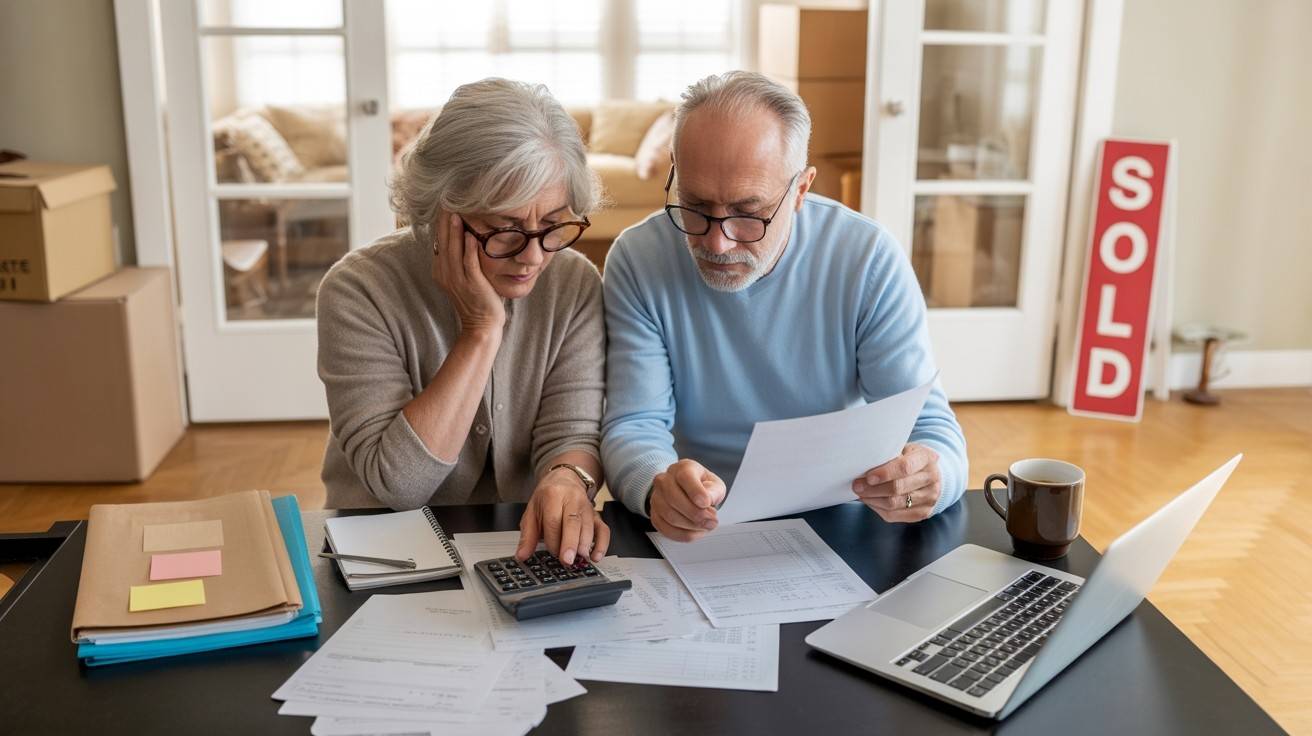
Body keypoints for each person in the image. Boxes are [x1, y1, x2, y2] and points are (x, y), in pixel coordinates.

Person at [601, 71, 968, 542]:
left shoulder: (867, 258)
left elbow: (929, 426)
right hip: (701, 524)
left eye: (749, 213)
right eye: (694, 206)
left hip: (839, 516)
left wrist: (932, 480)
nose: (718, 240)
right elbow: (634, 422)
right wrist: (655, 486)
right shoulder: (638, 258)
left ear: (800, 190)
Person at [317, 78, 608, 564]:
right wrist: (480, 331)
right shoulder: (358, 290)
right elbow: (398, 485)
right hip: (382, 547)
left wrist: (567, 477)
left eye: (555, 224)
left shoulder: (574, 282)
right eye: (504, 230)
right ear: (440, 213)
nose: (533, 256)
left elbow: (571, 434)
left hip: (516, 544)